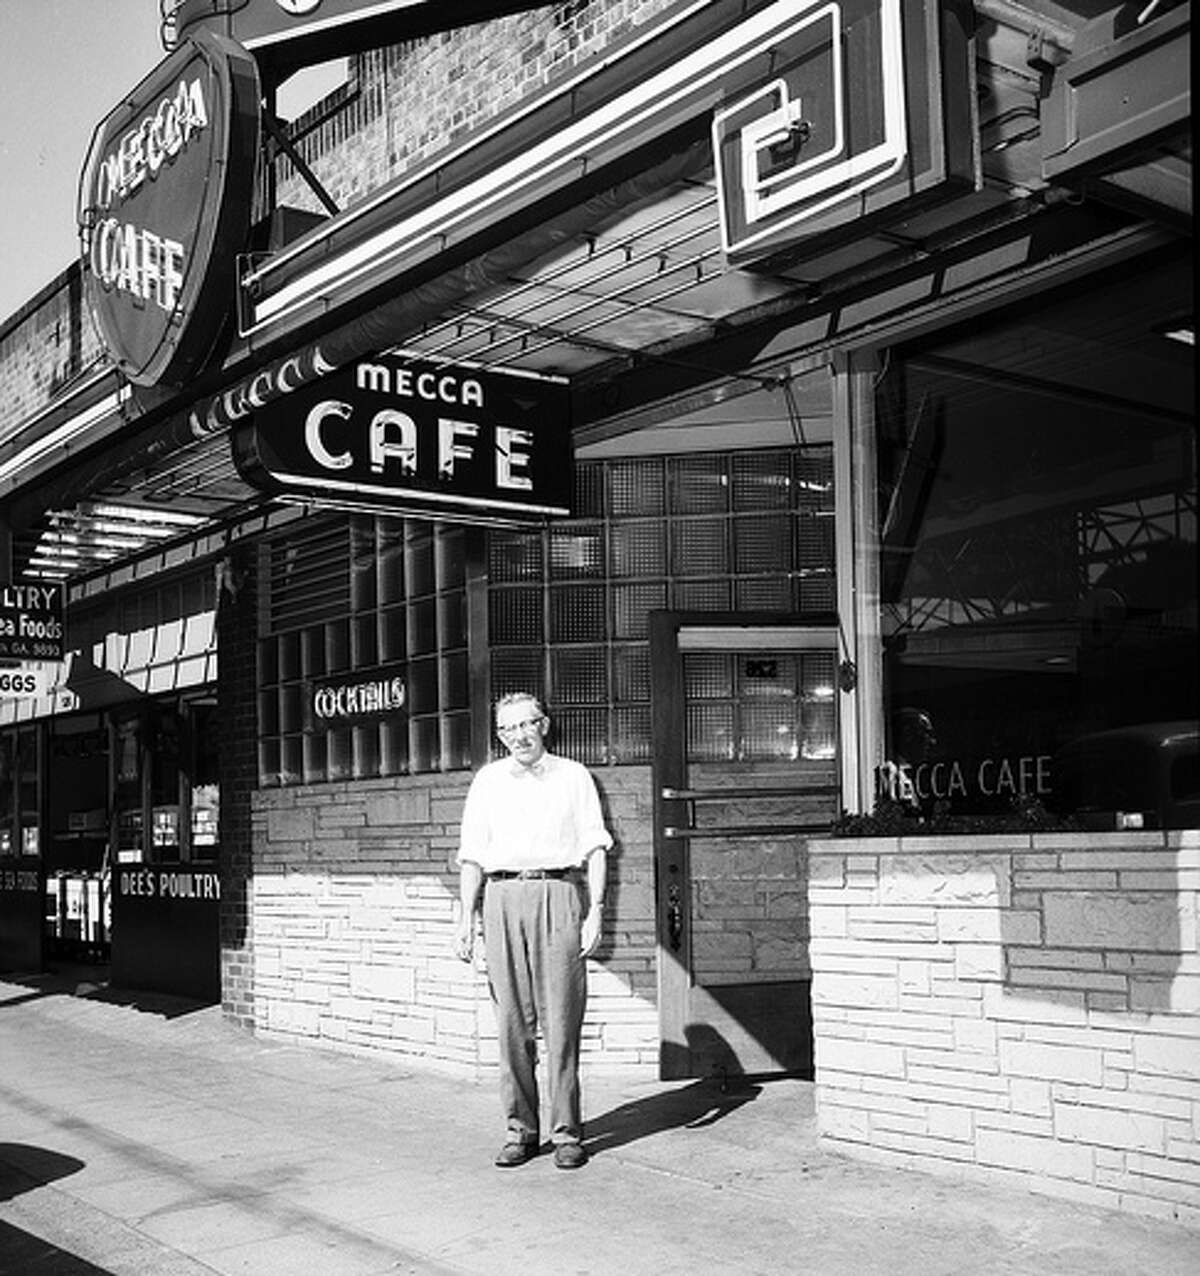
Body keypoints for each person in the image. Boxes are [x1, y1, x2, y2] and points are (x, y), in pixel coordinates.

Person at [453, 691, 611, 1170]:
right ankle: (520, 1130)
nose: (518, 736)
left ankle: (567, 1133)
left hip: (558, 894)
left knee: (562, 1018)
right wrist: (466, 917)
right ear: (499, 736)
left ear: (544, 725)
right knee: (511, 1026)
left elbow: (595, 847)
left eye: (526, 725)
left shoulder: (574, 776)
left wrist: (597, 909)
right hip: (501, 899)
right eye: (507, 729)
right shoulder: (488, 781)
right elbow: (473, 855)